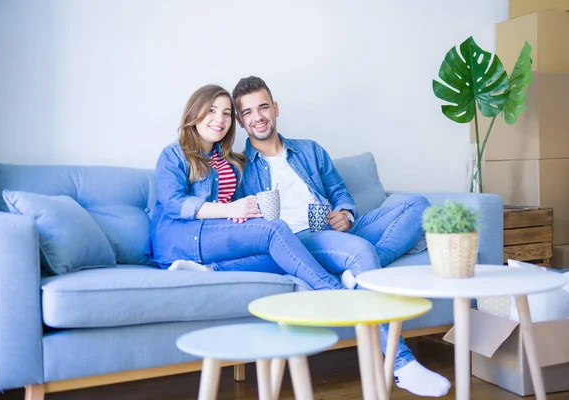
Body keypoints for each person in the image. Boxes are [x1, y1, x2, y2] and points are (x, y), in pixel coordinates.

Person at [231, 76, 451, 397]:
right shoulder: (237, 167)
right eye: (248, 112)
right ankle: (401, 364)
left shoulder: (309, 150)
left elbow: (338, 191)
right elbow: (241, 223)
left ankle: (354, 272)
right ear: (240, 120)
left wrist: (345, 214)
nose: (258, 116)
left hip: (334, 231)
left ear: (275, 108)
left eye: (263, 106)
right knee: (360, 251)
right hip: (298, 240)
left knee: (417, 206)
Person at [145, 84, 346, 291]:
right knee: (275, 229)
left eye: (226, 114)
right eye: (211, 111)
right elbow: (174, 204)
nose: (220, 120)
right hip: (180, 237)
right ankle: (332, 290)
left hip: (214, 235)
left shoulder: (227, 160)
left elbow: (230, 205)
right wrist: (229, 209)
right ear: (195, 114)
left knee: (282, 250)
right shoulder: (174, 154)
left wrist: (240, 213)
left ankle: (211, 271)